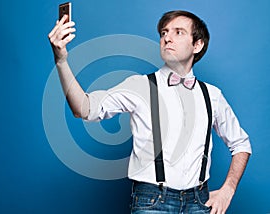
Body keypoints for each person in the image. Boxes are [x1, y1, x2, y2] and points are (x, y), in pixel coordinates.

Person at [48, 10, 252, 214]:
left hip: (199, 202)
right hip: (152, 202)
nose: (167, 38)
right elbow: (84, 108)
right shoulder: (139, 85)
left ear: (197, 45)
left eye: (178, 32)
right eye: (164, 33)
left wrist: (228, 190)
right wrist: (61, 60)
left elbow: (241, 144)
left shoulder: (212, 95)